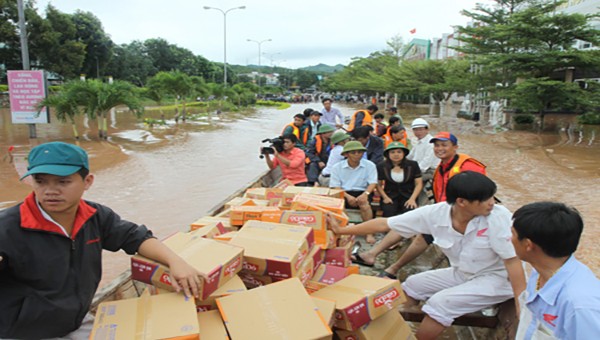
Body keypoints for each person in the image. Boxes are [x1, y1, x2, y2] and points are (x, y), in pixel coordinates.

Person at [0, 142, 205, 339]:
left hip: (75, 321)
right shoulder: (7, 227)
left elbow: (135, 237)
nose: (50, 190)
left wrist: (175, 261)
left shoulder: (95, 216)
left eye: (63, 182)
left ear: (87, 181)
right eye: (40, 181)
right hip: (22, 331)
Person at [327, 171, 526, 340]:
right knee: (412, 284)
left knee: (441, 303)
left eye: (492, 197)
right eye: (486, 199)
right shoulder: (435, 213)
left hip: (498, 278)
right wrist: (341, 231)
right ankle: (385, 330)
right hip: (463, 273)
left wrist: (520, 302)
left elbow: (512, 261)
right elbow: (384, 224)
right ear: (461, 202)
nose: (492, 203)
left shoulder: (498, 217)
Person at [354, 132, 486, 278]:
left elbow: (480, 194)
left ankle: (380, 261)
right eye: (436, 145)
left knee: (411, 225)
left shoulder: (468, 166)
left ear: (455, 147)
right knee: (408, 225)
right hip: (446, 212)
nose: (439, 148)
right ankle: (379, 260)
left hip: (463, 217)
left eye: (444, 145)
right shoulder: (442, 167)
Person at [512, 202, 600, 339]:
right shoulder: (539, 272)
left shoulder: (579, 305)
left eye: (513, 234)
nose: (509, 239)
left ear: (528, 245)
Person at [329, 141, 377, 243]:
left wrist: (365, 194)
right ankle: (344, 231)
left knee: (365, 205)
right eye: (353, 152)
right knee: (340, 205)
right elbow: (335, 186)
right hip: (344, 192)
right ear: (346, 154)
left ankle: (369, 232)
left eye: (359, 152)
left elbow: (372, 183)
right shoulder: (337, 167)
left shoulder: (370, 165)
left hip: (363, 191)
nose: (357, 155)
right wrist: (347, 196)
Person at [376, 142, 423, 218]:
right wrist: (385, 197)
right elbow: (378, 184)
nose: (396, 154)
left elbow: (418, 184)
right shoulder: (382, 166)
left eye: (399, 152)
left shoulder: (413, 165)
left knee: (409, 211)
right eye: (392, 152)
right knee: (389, 211)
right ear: (388, 154)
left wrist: (412, 199)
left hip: (408, 195)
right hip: (390, 196)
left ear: (404, 153)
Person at [406, 118, 439, 206]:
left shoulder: (431, 143)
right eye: (415, 130)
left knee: (409, 181)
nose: (418, 132)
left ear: (427, 130)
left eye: (421, 129)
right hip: (419, 170)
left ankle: (420, 205)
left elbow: (426, 163)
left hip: (429, 171)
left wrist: (412, 173)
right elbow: (410, 156)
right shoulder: (418, 142)